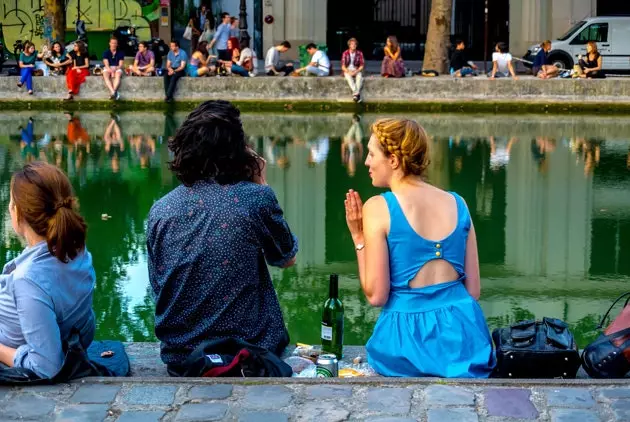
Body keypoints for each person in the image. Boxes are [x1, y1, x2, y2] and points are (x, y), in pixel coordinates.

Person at [146, 100, 298, 372]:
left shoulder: (161, 209)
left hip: (181, 354)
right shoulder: (255, 199)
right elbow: (286, 258)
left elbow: (159, 285)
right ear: (239, 153)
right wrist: (262, 184)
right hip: (247, 349)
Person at [343, 118, 496, 378]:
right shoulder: (458, 203)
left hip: (404, 342)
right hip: (464, 340)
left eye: (371, 154)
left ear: (393, 160)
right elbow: (473, 291)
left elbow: (376, 296)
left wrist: (358, 237)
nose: (367, 162)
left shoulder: (379, 207)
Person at [0, 162, 95, 379]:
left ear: (19, 213)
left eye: (12, 203)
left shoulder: (28, 280)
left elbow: (47, 366)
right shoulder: (76, 249)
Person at [341, 38, 365, 102]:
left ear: (356, 45)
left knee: (359, 77)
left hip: (356, 69)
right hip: (347, 69)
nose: (354, 45)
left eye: (355, 44)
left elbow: (362, 65)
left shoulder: (359, 53)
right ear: (349, 45)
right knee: (348, 77)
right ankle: (357, 94)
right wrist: (349, 71)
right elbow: (343, 67)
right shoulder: (345, 53)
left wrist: (356, 71)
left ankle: (355, 95)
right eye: (352, 44)